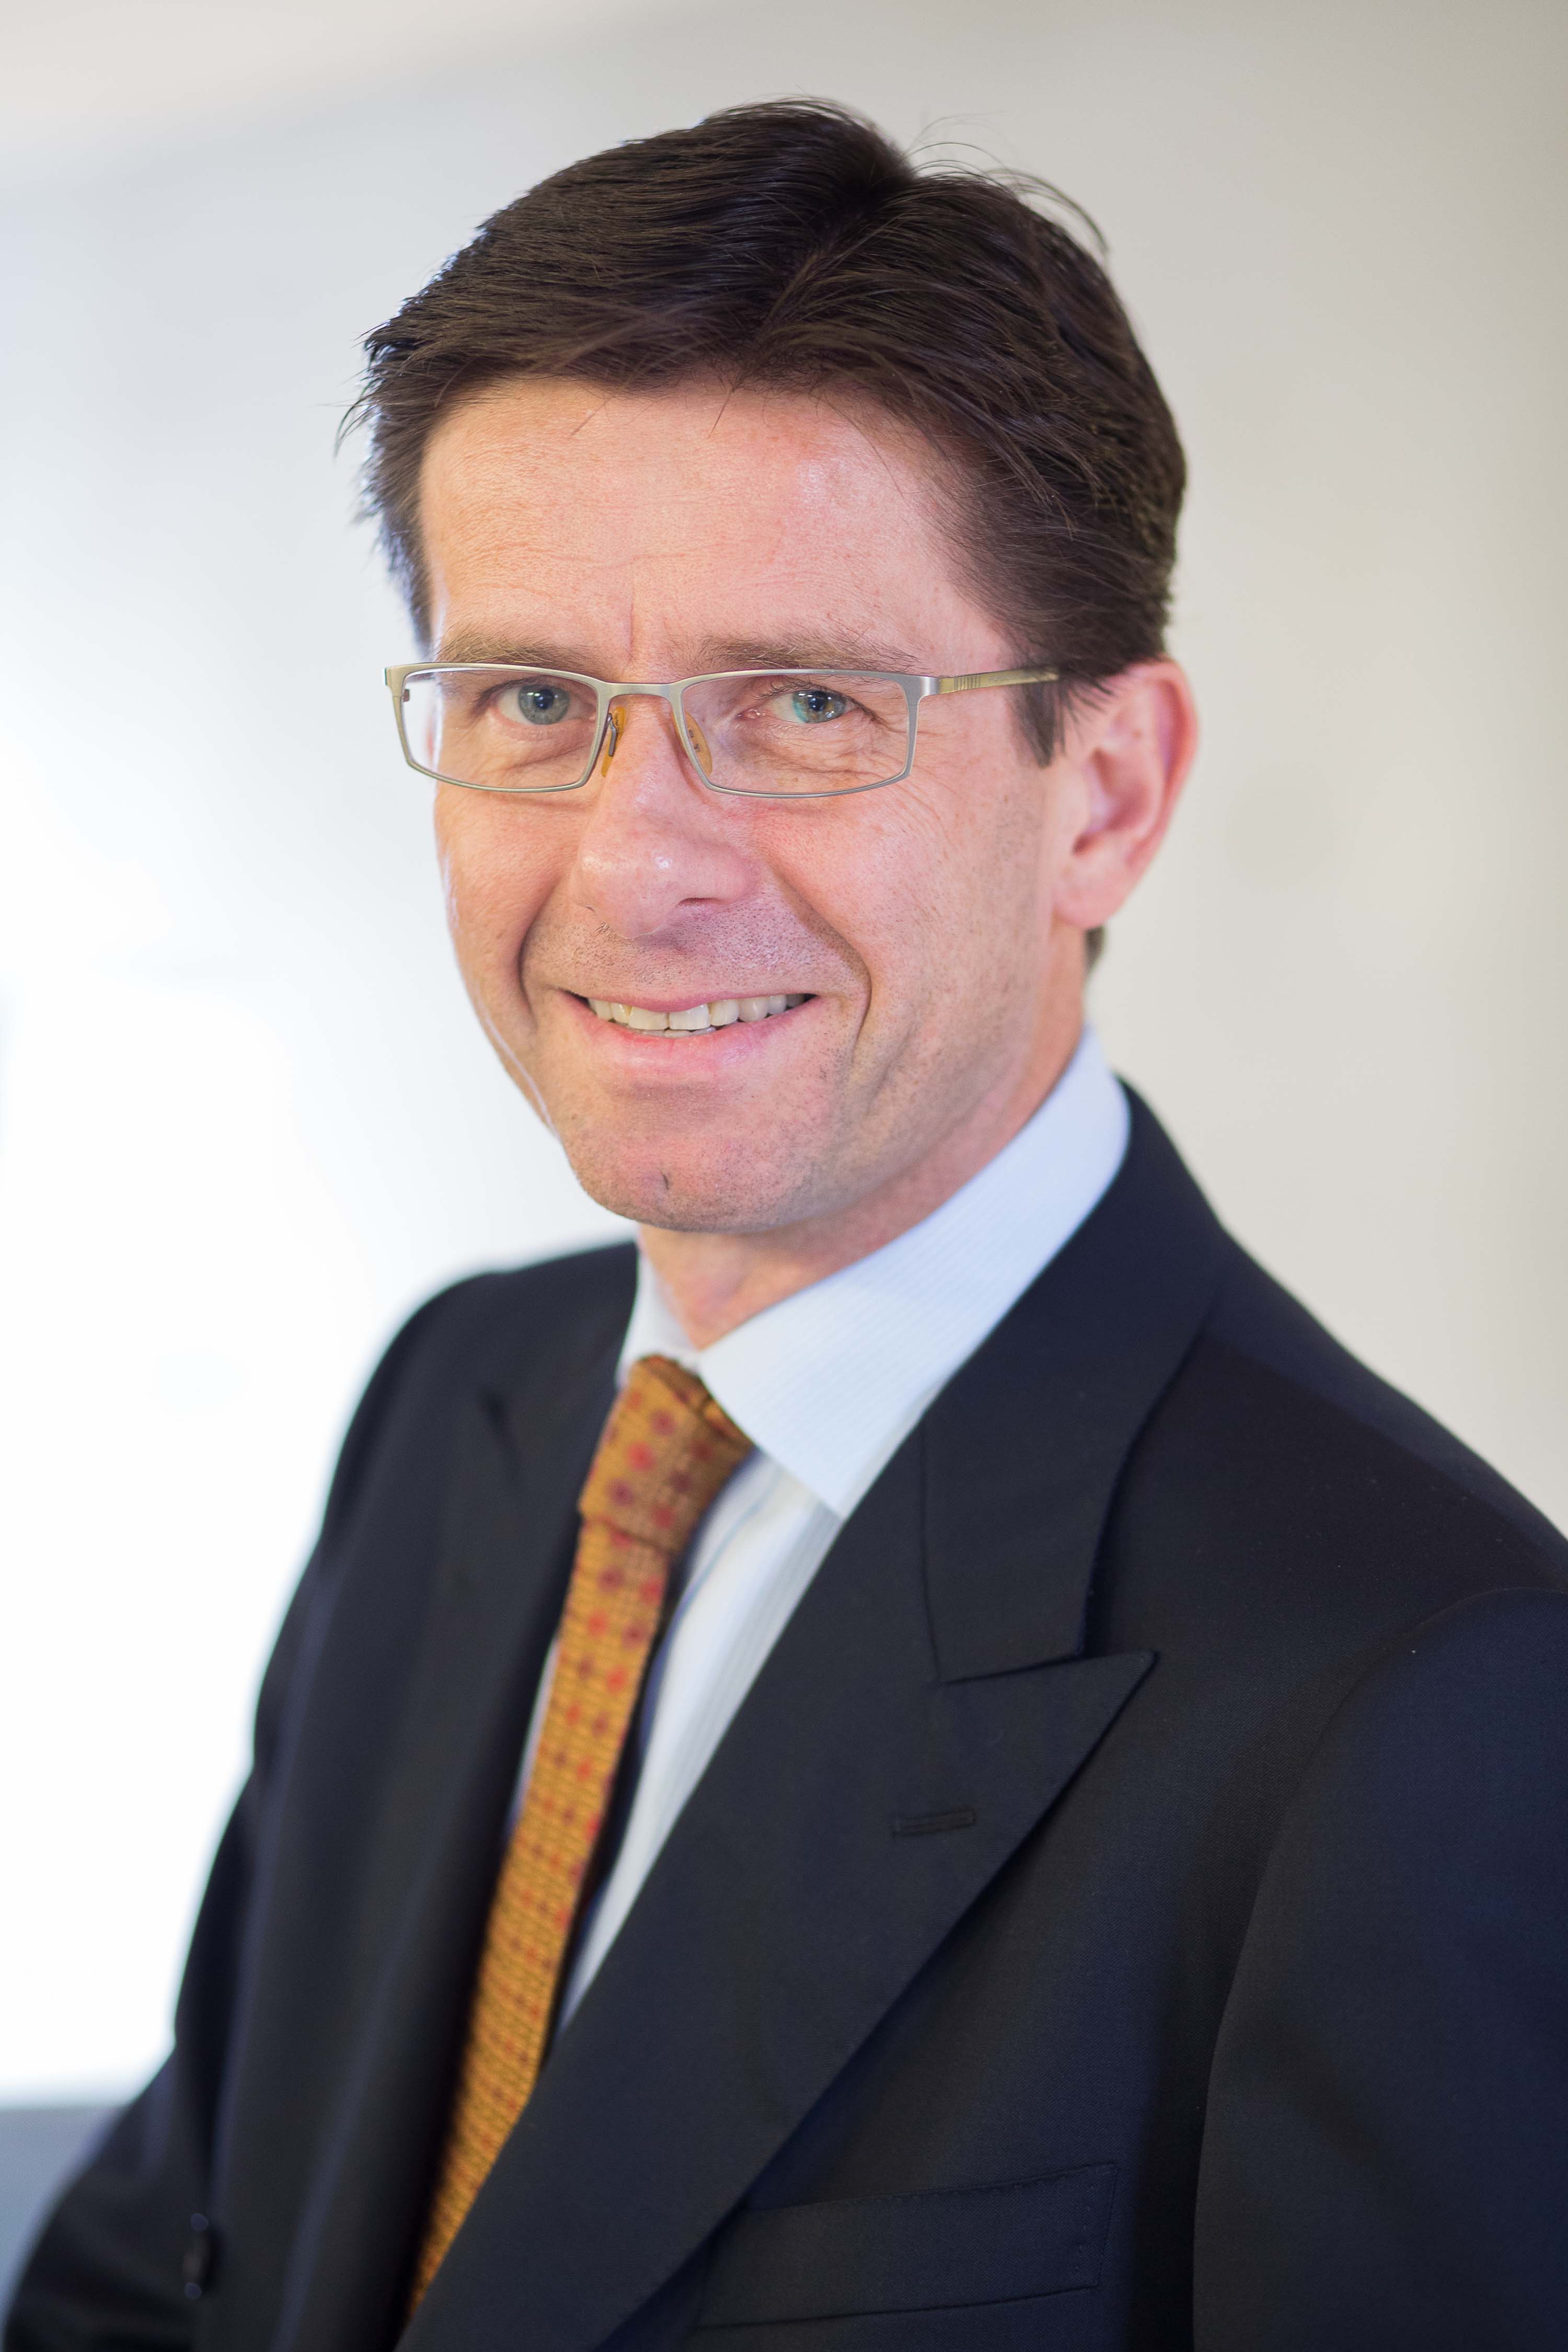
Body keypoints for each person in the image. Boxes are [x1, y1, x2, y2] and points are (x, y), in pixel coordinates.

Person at [9, 98, 1567, 2352]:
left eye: (809, 705)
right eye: (534, 700)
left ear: (1105, 792)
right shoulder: (463, 1401)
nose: (637, 864)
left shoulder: (1427, 1702)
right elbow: (169, 2271)